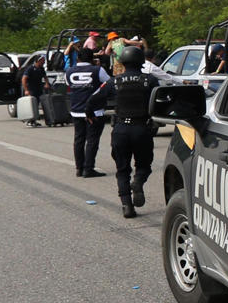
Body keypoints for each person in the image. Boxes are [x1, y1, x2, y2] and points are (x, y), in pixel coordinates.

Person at [106, 43, 163, 218]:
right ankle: (138, 181)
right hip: (142, 129)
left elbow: (95, 99)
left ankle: (127, 207)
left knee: (122, 169)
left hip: (121, 129)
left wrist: (90, 113)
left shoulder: (114, 81)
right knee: (144, 165)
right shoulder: (151, 80)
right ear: (141, 61)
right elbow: (161, 100)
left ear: (122, 61)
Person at [66, 43, 113, 178]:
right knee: (92, 140)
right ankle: (89, 169)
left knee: (79, 140)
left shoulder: (69, 71)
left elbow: (69, 85)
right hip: (95, 111)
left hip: (76, 110)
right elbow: (109, 84)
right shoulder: (97, 70)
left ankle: (79, 168)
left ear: (78, 58)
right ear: (92, 58)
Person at [20, 53, 46, 128]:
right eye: (42, 60)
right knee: (31, 105)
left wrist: (47, 83)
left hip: (38, 88)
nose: (44, 62)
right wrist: (26, 90)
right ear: (38, 61)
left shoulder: (41, 68)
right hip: (31, 89)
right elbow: (24, 79)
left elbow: (45, 76)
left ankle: (33, 120)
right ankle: (29, 121)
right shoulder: (30, 68)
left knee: (36, 105)